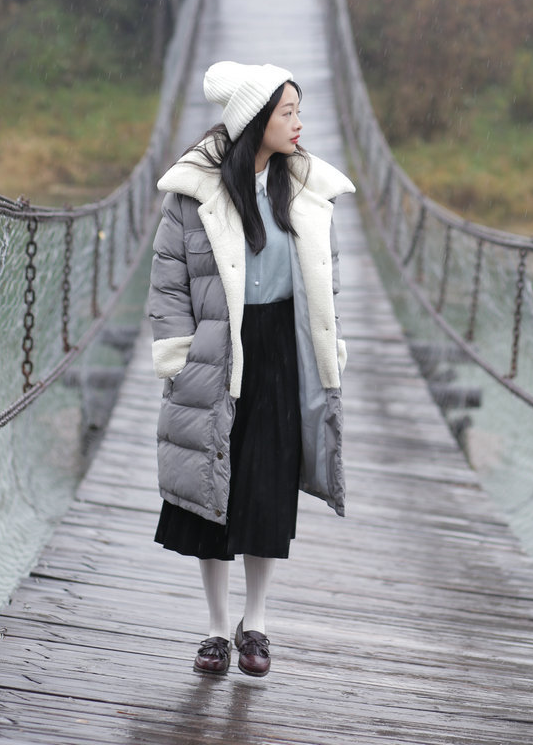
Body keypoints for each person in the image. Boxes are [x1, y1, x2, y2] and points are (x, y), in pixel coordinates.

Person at [148, 61, 355, 677]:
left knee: (265, 488)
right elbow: (168, 281)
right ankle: (216, 629)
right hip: (217, 352)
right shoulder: (194, 193)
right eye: (287, 112)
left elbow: (328, 279)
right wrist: (179, 355)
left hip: (281, 352)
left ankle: (256, 624)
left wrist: (332, 348)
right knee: (212, 489)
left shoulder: (307, 190)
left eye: (298, 111)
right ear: (256, 120)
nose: (298, 123)